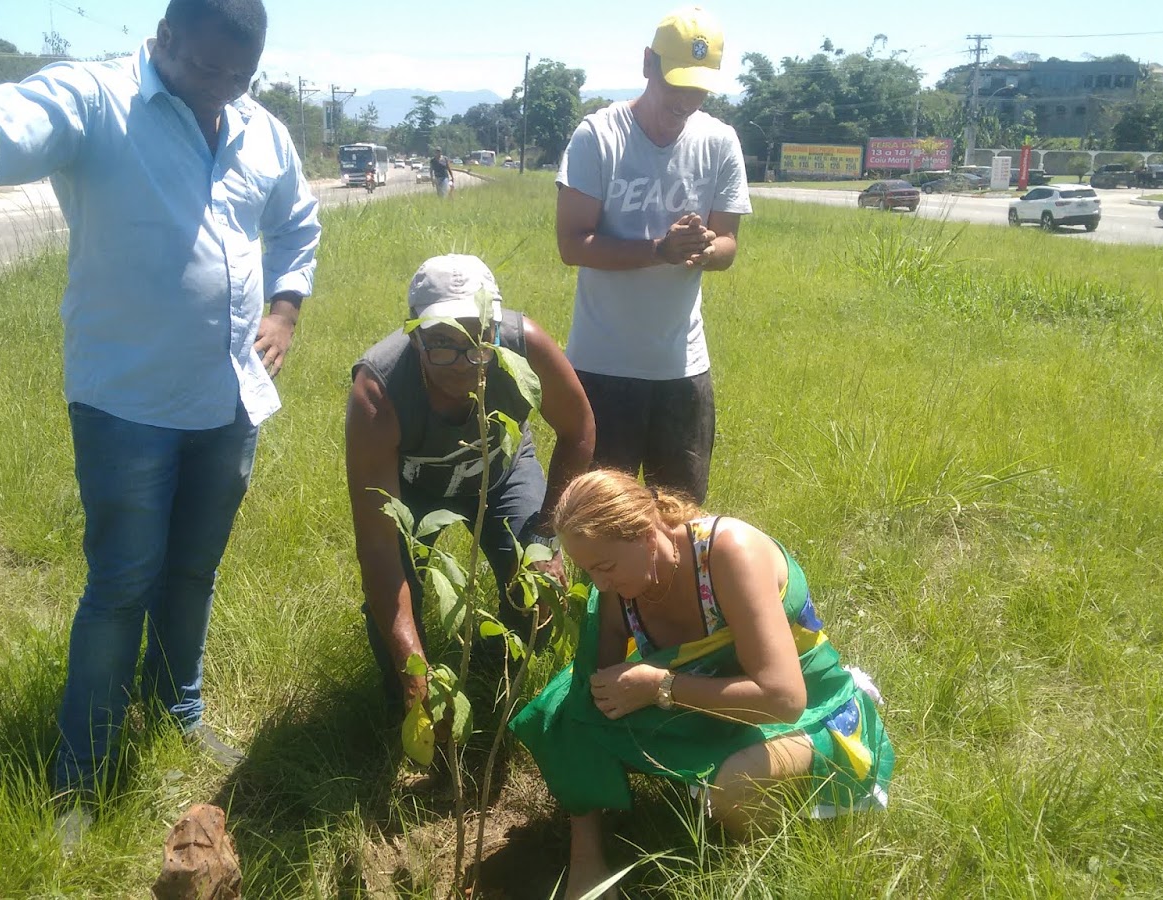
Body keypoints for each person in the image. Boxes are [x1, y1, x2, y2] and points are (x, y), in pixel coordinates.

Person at [0, 0, 321, 834]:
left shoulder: (262, 131)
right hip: (128, 404)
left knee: (193, 571)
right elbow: (1, 120)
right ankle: (80, 774)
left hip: (230, 398)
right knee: (121, 585)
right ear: (164, 39)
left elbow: (297, 222)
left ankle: (178, 709)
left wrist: (286, 309)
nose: (219, 89)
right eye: (204, 68)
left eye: (239, 75)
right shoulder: (98, 100)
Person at [510, 470, 893, 898]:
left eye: (605, 568)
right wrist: (585, 861)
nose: (599, 585)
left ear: (646, 533)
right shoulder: (619, 587)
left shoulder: (729, 555)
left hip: (809, 712)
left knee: (734, 787)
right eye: (588, 571)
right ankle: (590, 861)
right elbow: (586, 703)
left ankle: (767, 852)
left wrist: (661, 686)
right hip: (710, 702)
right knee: (559, 706)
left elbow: (785, 698)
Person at [347, 254, 595, 714]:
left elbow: (578, 430)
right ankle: (408, 703)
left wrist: (546, 537)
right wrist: (413, 672)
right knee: (396, 604)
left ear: (496, 328)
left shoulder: (525, 346)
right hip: (411, 492)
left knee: (535, 586)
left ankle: (501, 683)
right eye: (442, 342)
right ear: (414, 333)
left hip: (503, 474)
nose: (464, 362)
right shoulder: (378, 390)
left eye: (480, 339)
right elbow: (378, 549)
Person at [555, 6, 751, 505]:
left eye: (699, 88)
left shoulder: (720, 142)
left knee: (680, 521)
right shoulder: (598, 136)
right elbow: (572, 244)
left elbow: (728, 245)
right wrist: (659, 250)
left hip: (682, 370)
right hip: (602, 368)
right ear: (648, 63)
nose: (686, 100)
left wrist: (704, 248)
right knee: (599, 520)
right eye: (676, 83)